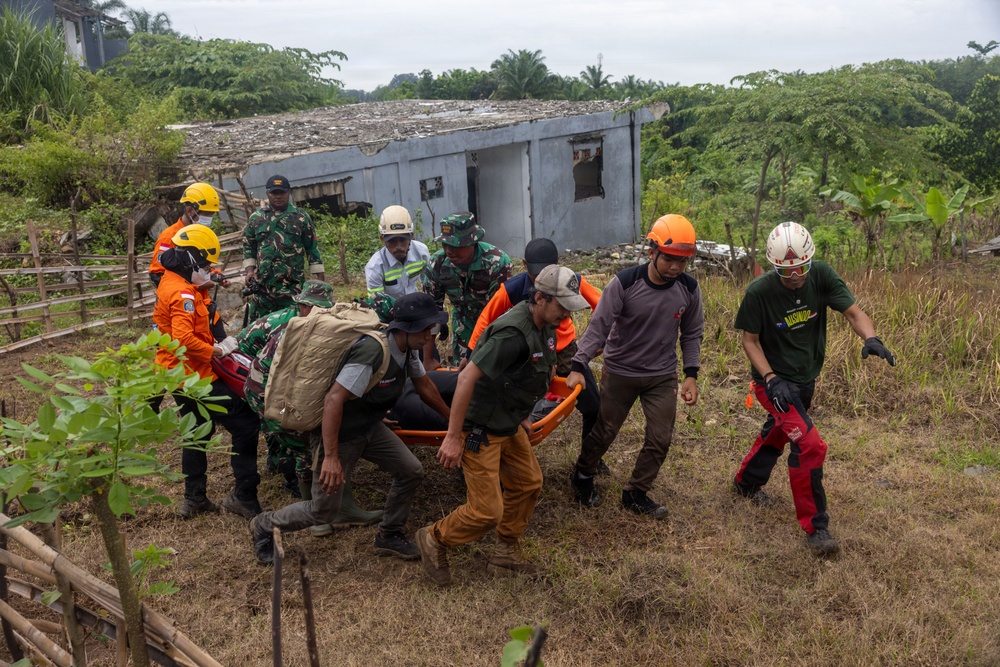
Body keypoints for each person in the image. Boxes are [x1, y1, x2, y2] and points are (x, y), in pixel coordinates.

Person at [415, 265, 590, 586]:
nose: (566, 315)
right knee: (486, 511)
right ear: (539, 297)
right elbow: (466, 377)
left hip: (507, 421)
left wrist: (521, 414)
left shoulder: (546, 324)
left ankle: (505, 553)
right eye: (561, 306)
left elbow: (525, 375)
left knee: (528, 483)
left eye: (569, 307)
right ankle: (433, 538)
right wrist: (453, 437)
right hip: (480, 428)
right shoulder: (512, 333)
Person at [732, 221, 895, 557]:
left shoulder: (821, 275)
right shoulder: (759, 293)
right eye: (786, 272)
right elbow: (749, 341)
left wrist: (872, 338)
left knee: (781, 433)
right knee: (809, 445)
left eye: (801, 269)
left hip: (806, 377)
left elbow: (852, 311)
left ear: (810, 260)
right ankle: (816, 527)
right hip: (772, 384)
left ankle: (746, 483)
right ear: (774, 266)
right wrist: (771, 378)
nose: (796, 277)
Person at [250, 293, 450, 566]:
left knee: (411, 471)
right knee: (323, 511)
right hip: (339, 435)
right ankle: (264, 524)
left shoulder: (408, 349)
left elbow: (424, 385)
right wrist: (331, 457)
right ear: (407, 328)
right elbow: (334, 399)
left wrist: (451, 422)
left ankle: (390, 533)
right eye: (428, 329)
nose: (431, 336)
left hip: (369, 427)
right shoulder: (373, 352)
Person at [567, 214, 704, 520]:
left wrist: (691, 375)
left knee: (660, 438)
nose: (676, 268)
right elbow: (599, 326)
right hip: (620, 371)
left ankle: (636, 493)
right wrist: (579, 362)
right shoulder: (625, 283)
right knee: (605, 430)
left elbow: (692, 333)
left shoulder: (689, 289)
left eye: (683, 262)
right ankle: (583, 476)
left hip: (661, 374)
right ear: (652, 250)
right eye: (669, 259)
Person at [239, 281, 384, 533]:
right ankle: (318, 514)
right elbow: (247, 351)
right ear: (303, 305)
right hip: (265, 389)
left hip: (278, 385)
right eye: (314, 308)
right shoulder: (290, 326)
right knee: (304, 440)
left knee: (300, 438)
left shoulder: (319, 324)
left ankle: (326, 504)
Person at [152, 224, 262, 519]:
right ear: (189, 259)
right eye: (203, 264)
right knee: (245, 421)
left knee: (197, 430)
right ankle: (244, 497)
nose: (207, 269)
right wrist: (218, 350)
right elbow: (184, 340)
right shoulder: (181, 294)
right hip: (193, 375)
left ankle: (195, 497)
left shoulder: (175, 280)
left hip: (177, 374)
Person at [465, 237, 604, 464]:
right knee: (510, 401)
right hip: (527, 354)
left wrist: (596, 343)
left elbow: (604, 305)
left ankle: (591, 460)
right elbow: (485, 319)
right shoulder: (513, 288)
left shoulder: (572, 281)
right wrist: (471, 355)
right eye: (534, 274)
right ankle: (508, 452)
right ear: (524, 264)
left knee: (593, 406)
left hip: (565, 352)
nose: (539, 279)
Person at [423, 211, 511, 366]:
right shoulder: (437, 263)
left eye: (455, 245)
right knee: (462, 374)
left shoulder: (497, 262)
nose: (449, 251)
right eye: (445, 244)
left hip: (494, 326)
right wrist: (428, 360)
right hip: (463, 325)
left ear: (473, 241)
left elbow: (501, 313)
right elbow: (430, 312)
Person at [242, 175, 325, 321]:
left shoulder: (301, 217)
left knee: (293, 328)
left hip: (293, 289)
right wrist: (250, 271)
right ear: (268, 194)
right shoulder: (256, 218)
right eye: (274, 193)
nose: (278, 196)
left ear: (289, 193)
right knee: (262, 329)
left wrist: (320, 280)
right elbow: (249, 245)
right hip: (264, 290)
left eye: (282, 192)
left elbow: (312, 248)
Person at [149, 182, 224, 287]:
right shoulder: (169, 237)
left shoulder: (200, 236)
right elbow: (157, 274)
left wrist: (216, 276)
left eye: (212, 215)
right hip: (180, 298)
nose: (209, 219)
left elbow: (199, 266)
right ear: (190, 211)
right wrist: (192, 287)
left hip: (198, 299)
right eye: (206, 214)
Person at [364, 205, 430, 300]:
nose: (398, 246)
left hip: (416, 306)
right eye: (392, 241)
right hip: (391, 311)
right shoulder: (375, 267)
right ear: (382, 239)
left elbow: (429, 285)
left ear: (411, 236)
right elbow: (378, 304)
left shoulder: (421, 253)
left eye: (402, 240)